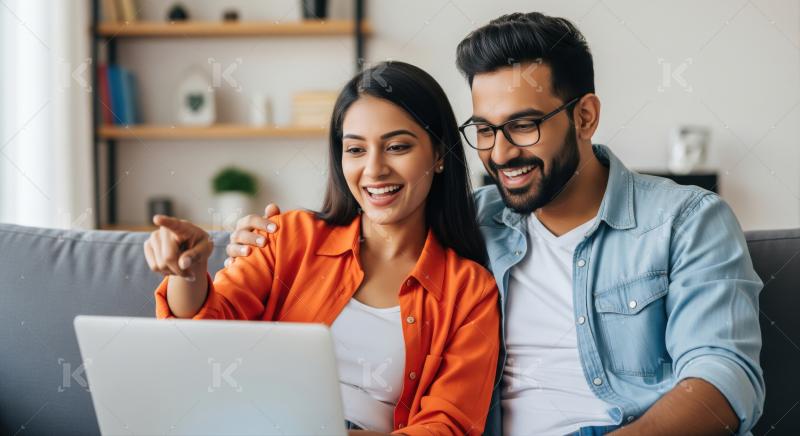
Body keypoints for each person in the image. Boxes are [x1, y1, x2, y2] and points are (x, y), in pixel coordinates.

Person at [226, 12, 765, 436]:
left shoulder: (686, 220)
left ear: (585, 116)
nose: (501, 153)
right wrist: (259, 238)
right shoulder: (473, 223)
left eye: (524, 126)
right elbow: (371, 215)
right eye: (484, 129)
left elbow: (725, 378)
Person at [144, 61, 500, 436]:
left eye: (397, 146)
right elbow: (204, 343)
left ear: (440, 154)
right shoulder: (288, 236)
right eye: (356, 149)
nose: (374, 169)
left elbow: (450, 424)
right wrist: (187, 273)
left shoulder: (469, 290)